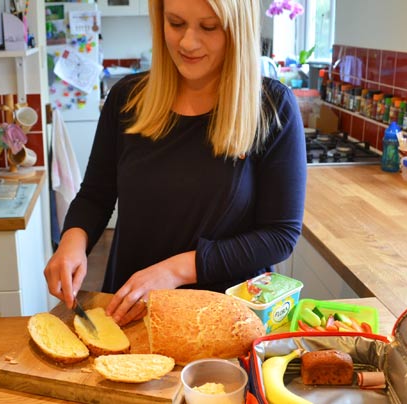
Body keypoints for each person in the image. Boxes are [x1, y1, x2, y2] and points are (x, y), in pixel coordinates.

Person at [44, 0, 307, 326]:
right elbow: (96, 194)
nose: (187, 42)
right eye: (176, 23)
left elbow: (279, 235)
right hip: (132, 309)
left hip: (228, 317)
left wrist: (174, 270)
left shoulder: (271, 108)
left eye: (208, 27)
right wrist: (72, 241)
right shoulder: (126, 99)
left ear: (237, 30)